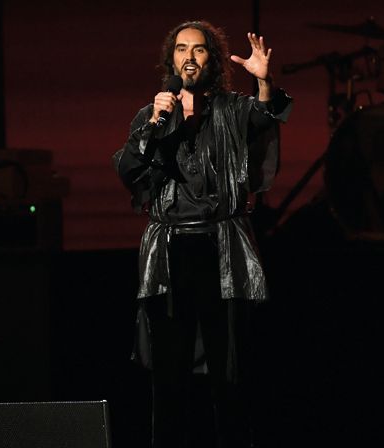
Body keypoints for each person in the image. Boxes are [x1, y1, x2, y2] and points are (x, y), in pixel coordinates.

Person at [112, 20, 291, 448]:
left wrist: (264, 83)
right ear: (170, 59)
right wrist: (153, 123)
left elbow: (268, 116)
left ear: (211, 59)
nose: (189, 56)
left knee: (228, 372)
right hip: (169, 252)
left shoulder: (232, 108)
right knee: (168, 376)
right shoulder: (152, 113)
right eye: (181, 49)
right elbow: (129, 169)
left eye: (198, 49)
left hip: (220, 247)